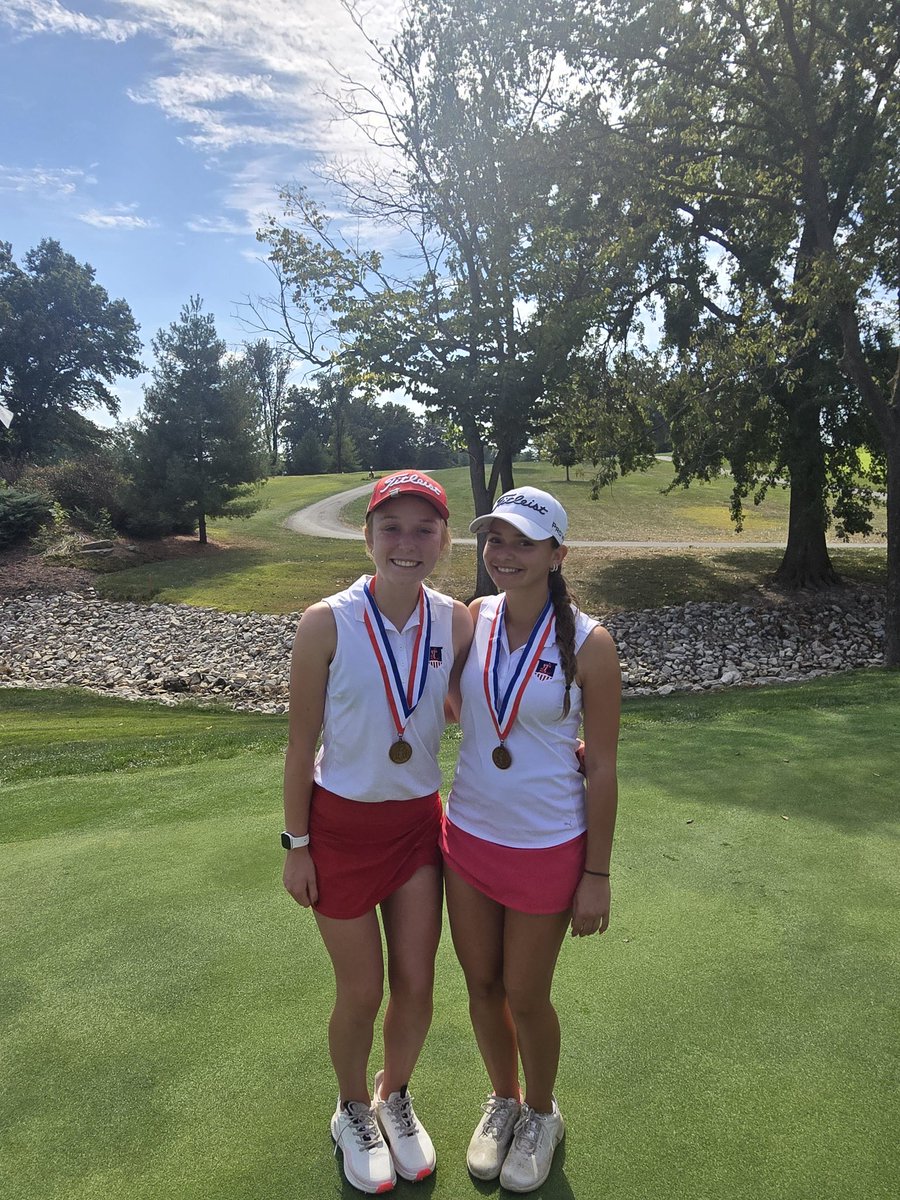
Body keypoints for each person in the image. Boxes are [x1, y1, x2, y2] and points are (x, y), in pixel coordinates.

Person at [282, 470, 472, 1195]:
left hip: (416, 827)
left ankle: (395, 1096)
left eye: (425, 528)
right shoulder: (325, 621)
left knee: (417, 985)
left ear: (444, 540)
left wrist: (565, 749)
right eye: (391, 527)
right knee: (361, 990)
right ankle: (352, 1107)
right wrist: (295, 846)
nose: (407, 543)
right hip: (337, 829)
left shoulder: (456, 619)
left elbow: (477, 699)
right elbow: (301, 746)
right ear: (366, 536)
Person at [441, 485, 621, 1194]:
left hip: (548, 844)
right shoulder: (474, 617)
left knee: (524, 993)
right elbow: (450, 697)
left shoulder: (589, 642)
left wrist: (597, 874)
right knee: (480, 984)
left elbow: (603, 764)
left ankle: (542, 1112)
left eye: (522, 541)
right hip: (470, 833)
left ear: (557, 554)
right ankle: (504, 1100)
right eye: (495, 540)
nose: (504, 554)